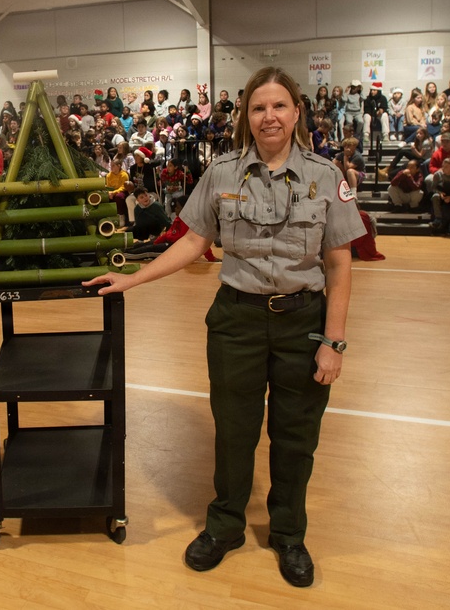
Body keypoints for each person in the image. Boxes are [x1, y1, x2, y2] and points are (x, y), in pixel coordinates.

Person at [85, 67, 365, 588]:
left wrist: (333, 342)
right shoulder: (221, 172)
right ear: (247, 117)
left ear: (296, 112)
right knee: (233, 431)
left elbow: (339, 263)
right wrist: (131, 279)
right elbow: (193, 243)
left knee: (296, 435)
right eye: (259, 108)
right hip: (236, 320)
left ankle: (288, 533)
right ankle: (226, 525)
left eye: (279, 106)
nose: (269, 117)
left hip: (302, 322)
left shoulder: (326, 175)